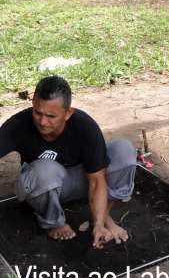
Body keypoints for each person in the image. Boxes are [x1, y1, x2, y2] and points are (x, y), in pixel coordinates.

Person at [0, 75, 137, 249]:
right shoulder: (18, 124)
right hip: (46, 188)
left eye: (51, 116)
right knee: (44, 170)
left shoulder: (85, 127)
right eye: (37, 112)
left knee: (123, 149)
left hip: (86, 182)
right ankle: (55, 222)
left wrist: (98, 225)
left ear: (68, 113)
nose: (42, 122)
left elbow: (97, 180)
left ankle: (104, 217)